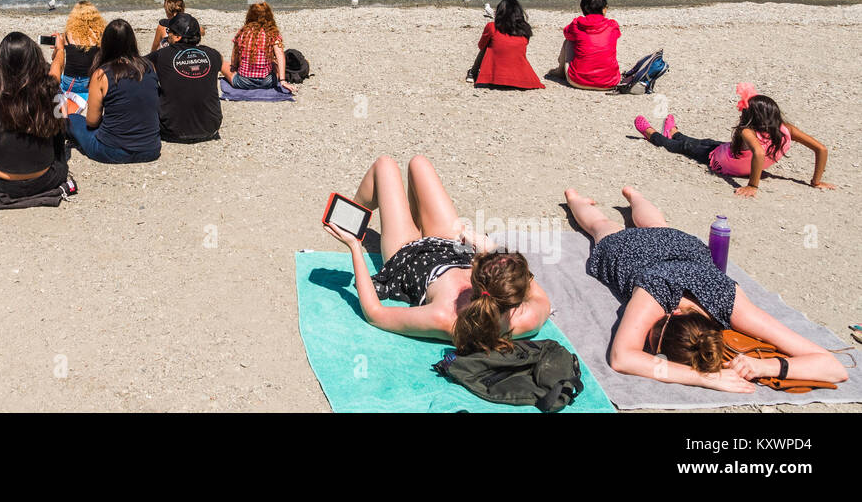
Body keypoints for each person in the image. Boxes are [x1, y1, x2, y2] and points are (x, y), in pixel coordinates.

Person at [564, 184, 847, 391]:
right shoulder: (657, 293)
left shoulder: (730, 304)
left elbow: (835, 369)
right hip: (646, 250)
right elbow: (622, 358)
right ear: (672, 316)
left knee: (635, 224)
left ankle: (612, 196)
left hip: (676, 250)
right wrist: (703, 377)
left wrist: (766, 365)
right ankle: (608, 195)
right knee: (609, 226)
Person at [323, 155, 550, 351]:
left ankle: (348, 219)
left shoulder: (446, 318)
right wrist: (486, 245)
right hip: (451, 244)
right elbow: (523, 279)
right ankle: (407, 216)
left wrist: (354, 246)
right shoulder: (528, 317)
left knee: (385, 166)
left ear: (476, 279)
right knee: (419, 163)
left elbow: (375, 314)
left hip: (409, 256)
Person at [633, 85, 831, 198]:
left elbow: (759, 153)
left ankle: (652, 134)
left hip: (717, 161)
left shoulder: (747, 132)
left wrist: (753, 186)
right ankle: (674, 131)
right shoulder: (787, 129)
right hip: (728, 152)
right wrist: (816, 181)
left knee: (684, 147)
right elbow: (821, 148)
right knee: (702, 141)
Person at [0, 32, 74, 208]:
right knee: (57, 122)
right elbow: (56, 71)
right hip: (48, 179)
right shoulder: (48, 90)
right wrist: (60, 51)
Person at [66, 19, 161, 163]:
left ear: (106, 43)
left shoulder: (102, 74)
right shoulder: (149, 66)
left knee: (72, 119)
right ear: (132, 41)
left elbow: (92, 122)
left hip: (112, 150)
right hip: (151, 149)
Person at [145, 12, 222, 143]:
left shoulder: (161, 55)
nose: (167, 34)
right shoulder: (213, 54)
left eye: (169, 31)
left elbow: (136, 66)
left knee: (148, 81)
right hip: (210, 128)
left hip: (172, 130)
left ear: (177, 37)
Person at [467, 0, 544, 90]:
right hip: (521, 78)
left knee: (487, 46)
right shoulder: (525, 30)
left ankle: (473, 72)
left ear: (500, 13)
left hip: (495, 78)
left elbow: (481, 46)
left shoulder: (492, 27)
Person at [220, 2, 295, 93]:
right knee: (275, 63)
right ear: (269, 15)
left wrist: (235, 68)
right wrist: (283, 81)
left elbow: (234, 59)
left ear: (250, 15)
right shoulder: (272, 34)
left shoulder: (243, 33)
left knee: (222, 63)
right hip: (268, 82)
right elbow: (280, 55)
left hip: (243, 82)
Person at [554, 0, 620, 90]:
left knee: (569, 41)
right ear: (604, 9)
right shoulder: (612, 25)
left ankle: (560, 71)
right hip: (610, 82)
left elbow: (566, 33)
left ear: (583, 9)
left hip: (578, 80)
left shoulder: (577, 24)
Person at [56, 0, 105, 114]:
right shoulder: (100, 36)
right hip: (90, 84)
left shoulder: (67, 34)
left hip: (70, 82)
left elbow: (57, 59)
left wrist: (59, 49)